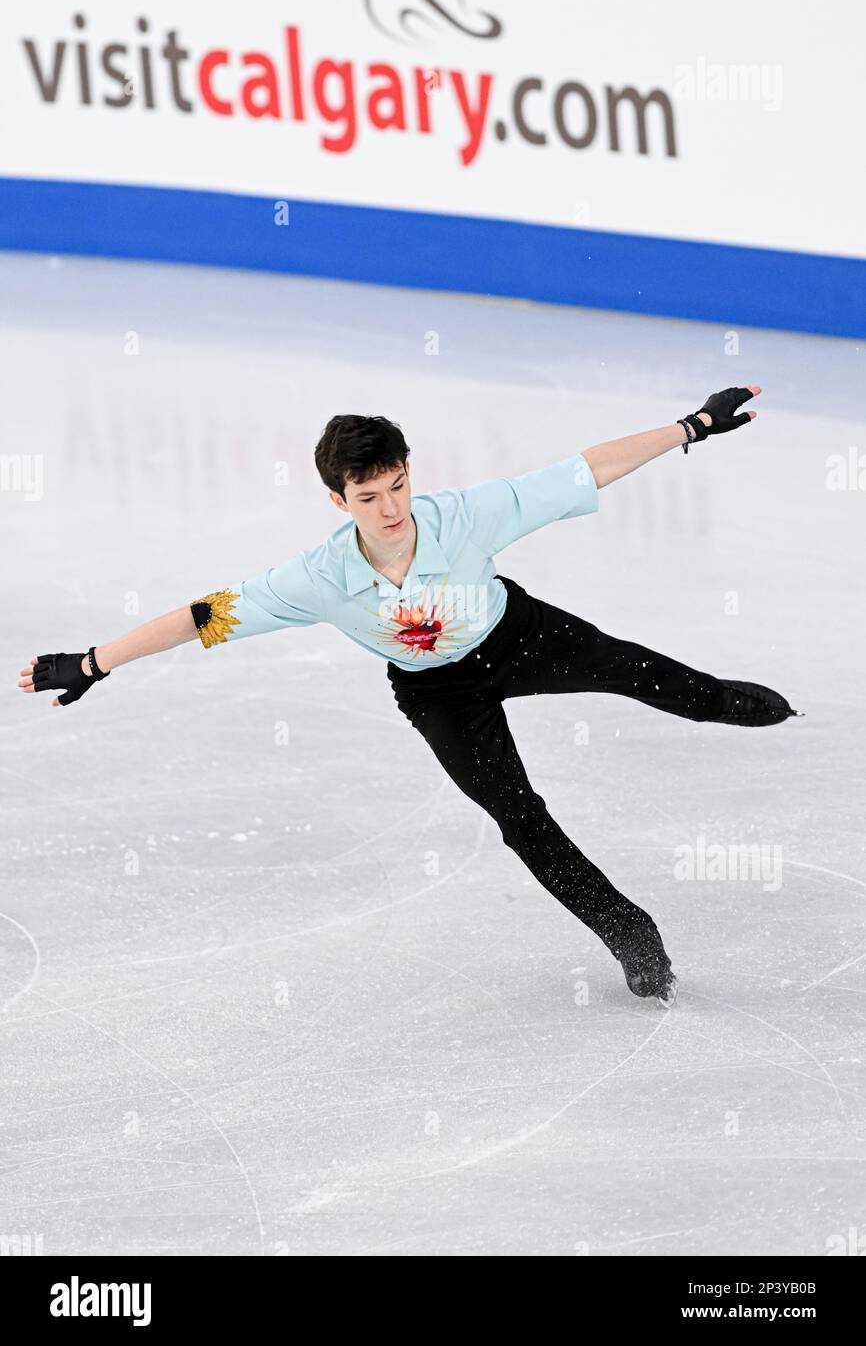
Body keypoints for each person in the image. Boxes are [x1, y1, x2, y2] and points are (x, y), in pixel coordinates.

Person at [19, 385, 801, 1006]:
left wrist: (692, 425)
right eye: (369, 497)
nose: (392, 510)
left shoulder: (464, 516)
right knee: (517, 818)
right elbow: (205, 615)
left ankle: (737, 704)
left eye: (398, 486)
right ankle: (628, 932)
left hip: (516, 634)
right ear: (338, 500)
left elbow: (581, 471)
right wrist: (95, 661)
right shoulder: (317, 578)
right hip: (437, 693)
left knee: (663, 682)